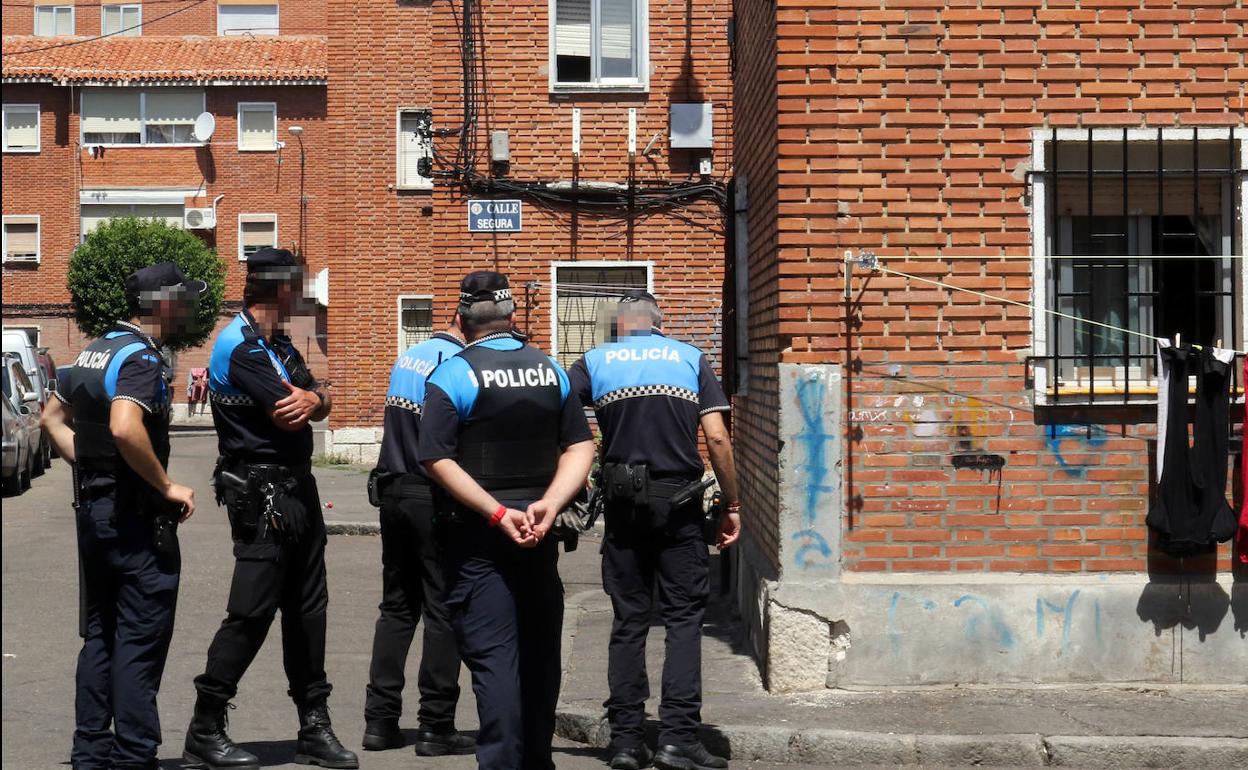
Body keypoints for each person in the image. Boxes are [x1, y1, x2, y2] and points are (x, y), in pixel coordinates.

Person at [183, 248, 357, 770]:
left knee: (309, 610)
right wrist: (313, 400)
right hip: (260, 496)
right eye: (298, 288)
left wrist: (317, 399)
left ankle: (314, 725)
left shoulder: (277, 342)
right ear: (280, 291)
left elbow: (317, 396)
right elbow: (289, 414)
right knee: (251, 612)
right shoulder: (240, 345)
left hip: (297, 491)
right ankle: (204, 728)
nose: (303, 298)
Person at [418, 271, 594, 770]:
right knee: (540, 656)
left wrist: (496, 512)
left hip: (479, 537)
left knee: (495, 660)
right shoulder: (550, 370)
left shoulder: (453, 373)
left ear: (460, 319)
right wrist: (552, 503)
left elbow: (435, 457)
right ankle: (537, 760)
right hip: (540, 534)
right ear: (513, 315)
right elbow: (581, 444)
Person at [568, 290, 741, 770]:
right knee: (684, 620)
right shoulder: (689, 358)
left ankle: (625, 740)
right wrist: (733, 502)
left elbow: (557, 417)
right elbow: (719, 436)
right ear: (658, 324)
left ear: (619, 326)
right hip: (679, 502)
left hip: (623, 504)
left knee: (629, 621)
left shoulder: (594, 361)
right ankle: (678, 738)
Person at [41, 262, 204, 770]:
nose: (193, 309)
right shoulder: (141, 358)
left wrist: (90, 465)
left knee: (101, 635)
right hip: (135, 519)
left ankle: (90, 752)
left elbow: (50, 417)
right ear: (164, 304)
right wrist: (166, 484)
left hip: (95, 510)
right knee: (139, 639)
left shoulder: (94, 349)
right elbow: (126, 427)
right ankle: (135, 756)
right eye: (186, 300)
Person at [361, 323, 475, 756]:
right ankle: (436, 725)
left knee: (397, 608)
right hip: (431, 495)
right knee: (443, 609)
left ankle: (380, 721)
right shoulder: (453, 363)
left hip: (393, 488)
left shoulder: (410, 355)